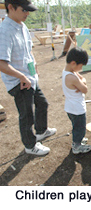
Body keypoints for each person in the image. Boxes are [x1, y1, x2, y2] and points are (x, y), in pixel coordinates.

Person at [0, 0, 56, 156]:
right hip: (19, 82)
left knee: (42, 104)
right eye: (24, 10)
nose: (27, 14)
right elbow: (1, 63)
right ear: (10, 7)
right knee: (26, 115)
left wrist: (34, 65)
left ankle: (41, 131)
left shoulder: (22, 26)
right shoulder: (4, 31)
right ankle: (30, 146)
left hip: (29, 77)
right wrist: (21, 76)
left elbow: (28, 51)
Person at [62, 47, 91, 154]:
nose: (81, 69)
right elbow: (85, 89)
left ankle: (78, 139)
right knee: (80, 127)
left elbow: (81, 79)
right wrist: (83, 81)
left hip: (70, 107)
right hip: (77, 109)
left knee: (77, 126)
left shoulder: (68, 71)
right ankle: (77, 145)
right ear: (74, 63)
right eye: (81, 66)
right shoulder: (72, 77)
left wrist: (81, 80)